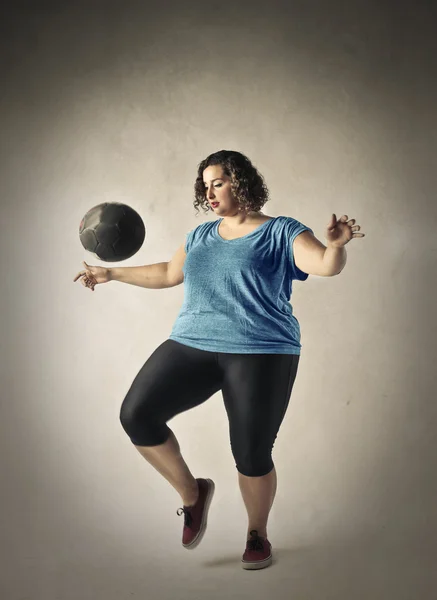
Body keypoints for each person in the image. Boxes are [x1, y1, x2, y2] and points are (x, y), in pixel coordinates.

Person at [73, 150, 364, 570]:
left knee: (251, 452)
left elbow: (323, 264)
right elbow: (169, 274)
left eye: (218, 183)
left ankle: (257, 534)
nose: (209, 192)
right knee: (136, 415)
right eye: (205, 185)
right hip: (193, 343)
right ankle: (193, 494)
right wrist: (112, 273)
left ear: (241, 183)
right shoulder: (201, 235)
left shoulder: (281, 231)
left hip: (261, 350)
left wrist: (336, 247)